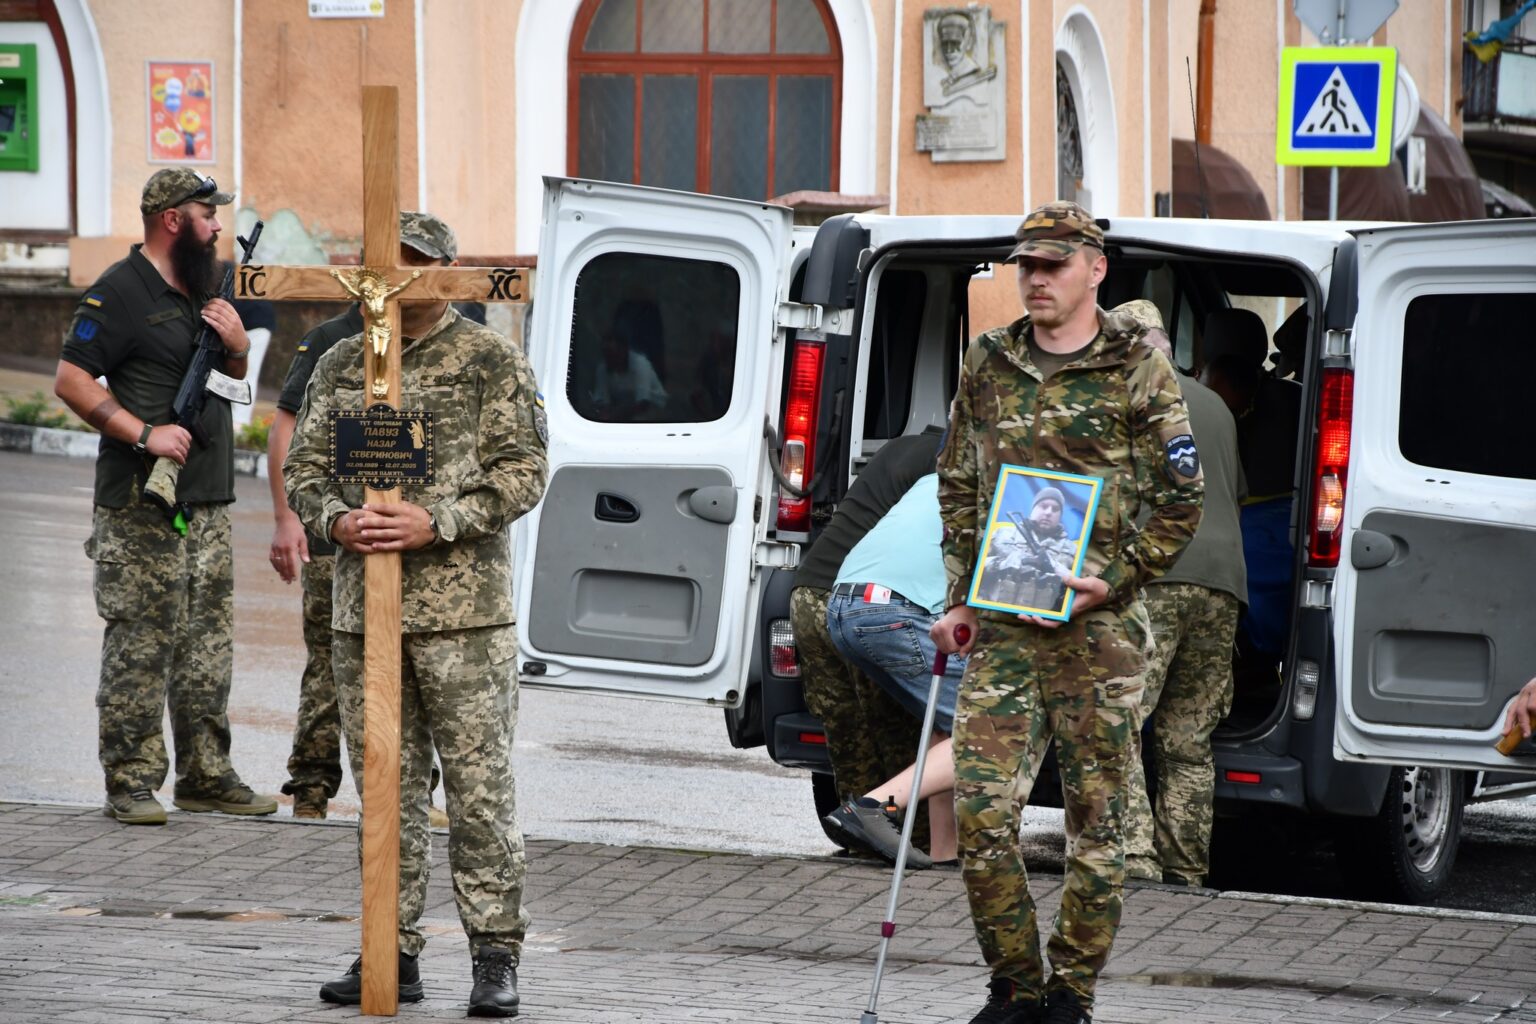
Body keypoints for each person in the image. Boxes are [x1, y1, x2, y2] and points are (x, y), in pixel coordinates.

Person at [931, 201, 1204, 1024]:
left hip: (1101, 635)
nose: (1036, 278)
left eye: (1053, 265)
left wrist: (1115, 578)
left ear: (1096, 269)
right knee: (981, 813)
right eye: (1027, 265)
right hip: (1006, 625)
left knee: (1097, 822)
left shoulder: (1136, 367)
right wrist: (958, 596)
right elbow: (959, 485)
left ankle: (1070, 994)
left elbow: (1181, 499)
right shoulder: (990, 360)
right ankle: (1014, 982)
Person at [284, 211, 547, 1016]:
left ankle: (494, 956)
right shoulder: (339, 362)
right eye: (379, 267)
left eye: (413, 267)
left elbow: (525, 470)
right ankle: (387, 950)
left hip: (464, 619)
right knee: (385, 791)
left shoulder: (487, 360)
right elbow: (304, 467)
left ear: (445, 271)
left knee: (479, 792)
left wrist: (442, 520)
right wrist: (334, 520)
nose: (394, 283)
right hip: (368, 613)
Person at [53, 168, 278, 827]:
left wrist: (237, 347)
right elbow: (71, 379)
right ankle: (129, 781)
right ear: (172, 219)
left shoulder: (203, 284)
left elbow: (226, 372)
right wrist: (142, 433)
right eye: (208, 214)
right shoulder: (120, 292)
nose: (217, 226)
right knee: (142, 643)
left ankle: (206, 774)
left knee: (207, 647)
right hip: (139, 502)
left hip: (205, 496)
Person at [1117, 302, 1248, 889]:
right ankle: (1187, 868)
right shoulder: (1217, 405)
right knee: (1188, 738)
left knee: (1120, 720)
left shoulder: (1130, 399)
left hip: (1158, 575)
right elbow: (1234, 492)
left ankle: (1138, 860)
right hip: (1224, 584)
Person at [790, 431, 942, 844]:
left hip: (809, 596)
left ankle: (857, 835)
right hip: (871, 599)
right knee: (899, 727)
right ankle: (911, 838)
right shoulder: (951, 458)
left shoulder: (900, 447)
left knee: (847, 730)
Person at [823, 472, 965, 866]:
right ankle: (874, 807)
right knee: (987, 730)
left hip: (843, 606)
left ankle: (945, 853)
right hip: (896, 611)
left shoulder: (936, 478)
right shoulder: (1006, 485)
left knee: (949, 720)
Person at [267, 302, 363, 819]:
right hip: (333, 533)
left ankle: (411, 788)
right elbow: (284, 427)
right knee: (329, 663)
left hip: (407, 537)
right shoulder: (331, 337)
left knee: (405, 668)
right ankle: (311, 787)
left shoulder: (427, 338)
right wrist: (287, 519)